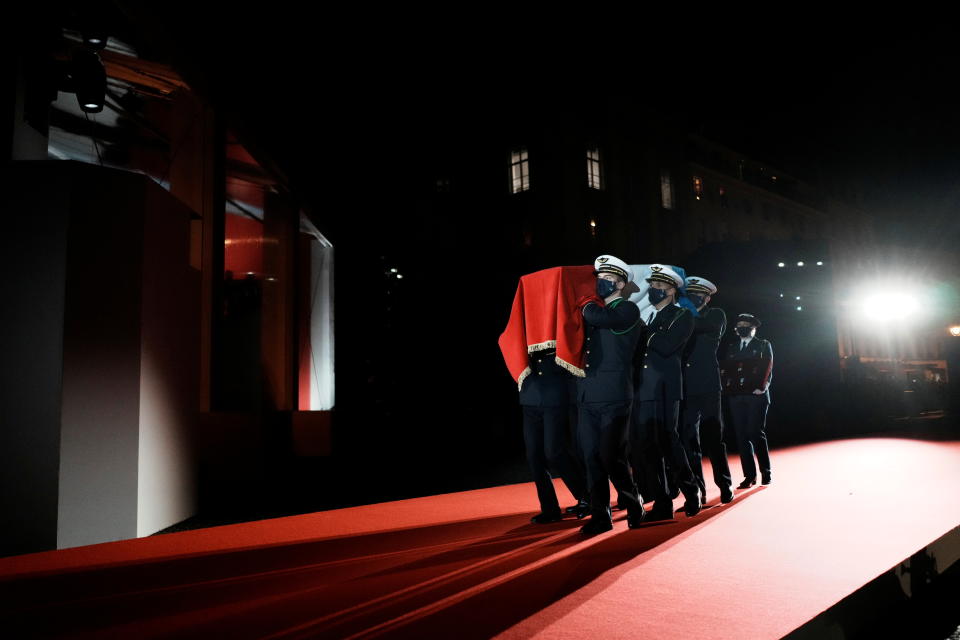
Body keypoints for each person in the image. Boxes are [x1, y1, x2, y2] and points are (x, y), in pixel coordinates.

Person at [575, 255, 645, 535]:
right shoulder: (596, 312)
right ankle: (600, 515)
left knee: (610, 457)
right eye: (599, 279)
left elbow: (600, 318)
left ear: (619, 283)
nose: (601, 283)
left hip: (615, 395)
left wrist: (585, 303)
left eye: (606, 279)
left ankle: (632, 500)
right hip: (588, 394)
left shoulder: (627, 310)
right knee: (591, 457)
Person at [631, 264, 699, 520]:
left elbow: (669, 346)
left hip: (666, 390)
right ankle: (662, 502)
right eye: (653, 286)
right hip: (646, 389)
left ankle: (691, 492)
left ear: (672, 290)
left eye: (659, 286)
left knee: (669, 442)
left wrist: (645, 334)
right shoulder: (651, 318)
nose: (654, 290)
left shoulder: (682, 316)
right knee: (648, 447)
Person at [680, 276, 734, 505]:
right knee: (689, 439)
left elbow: (700, 325)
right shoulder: (684, 315)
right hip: (686, 385)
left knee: (714, 437)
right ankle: (698, 490)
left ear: (707, 297)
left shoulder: (716, 314)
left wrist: (684, 305)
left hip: (708, 384)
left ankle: (724, 484)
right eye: (689, 293)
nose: (693, 297)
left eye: (697, 294)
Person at [519, 347, 589, 523]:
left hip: (554, 392)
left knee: (554, 451)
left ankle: (586, 496)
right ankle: (549, 509)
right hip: (530, 394)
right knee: (534, 455)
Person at [724, 313, 774, 487]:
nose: (742, 327)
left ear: (754, 328)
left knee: (755, 432)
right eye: (740, 325)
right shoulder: (732, 347)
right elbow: (727, 370)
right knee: (741, 436)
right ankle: (749, 476)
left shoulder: (762, 345)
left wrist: (763, 386)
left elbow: (768, 366)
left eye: (746, 324)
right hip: (737, 396)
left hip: (756, 395)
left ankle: (765, 472)